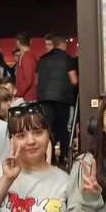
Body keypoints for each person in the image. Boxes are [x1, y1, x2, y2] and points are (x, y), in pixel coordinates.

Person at [37, 35, 78, 166]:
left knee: (48, 129)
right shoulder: (68, 59)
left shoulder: (42, 59)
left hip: (44, 99)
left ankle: (49, 158)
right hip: (62, 98)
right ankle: (64, 157)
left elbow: (38, 80)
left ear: (53, 44)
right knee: (62, 128)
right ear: (63, 44)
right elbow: (74, 80)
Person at [14, 33, 37, 102]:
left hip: (27, 98)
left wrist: (18, 93)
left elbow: (28, 79)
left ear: (18, 42)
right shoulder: (25, 55)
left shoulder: (27, 56)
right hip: (25, 96)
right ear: (30, 41)